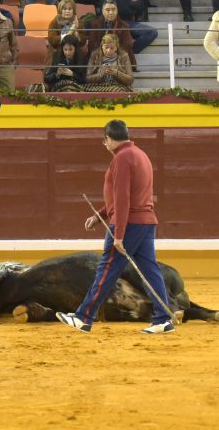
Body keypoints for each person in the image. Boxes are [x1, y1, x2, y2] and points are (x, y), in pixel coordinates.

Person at [56, 120, 176, 334]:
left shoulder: (121, 159)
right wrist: (99, 214)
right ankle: (163, 318)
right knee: (150, 271)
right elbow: (127, 196)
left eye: (105, 140)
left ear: (110, 138)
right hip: (146, 222)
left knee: (107, 269)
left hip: (128, 224)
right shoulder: (141, 155)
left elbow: (123, 198)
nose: (105, 144)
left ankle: (84, 317)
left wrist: (118, 234)